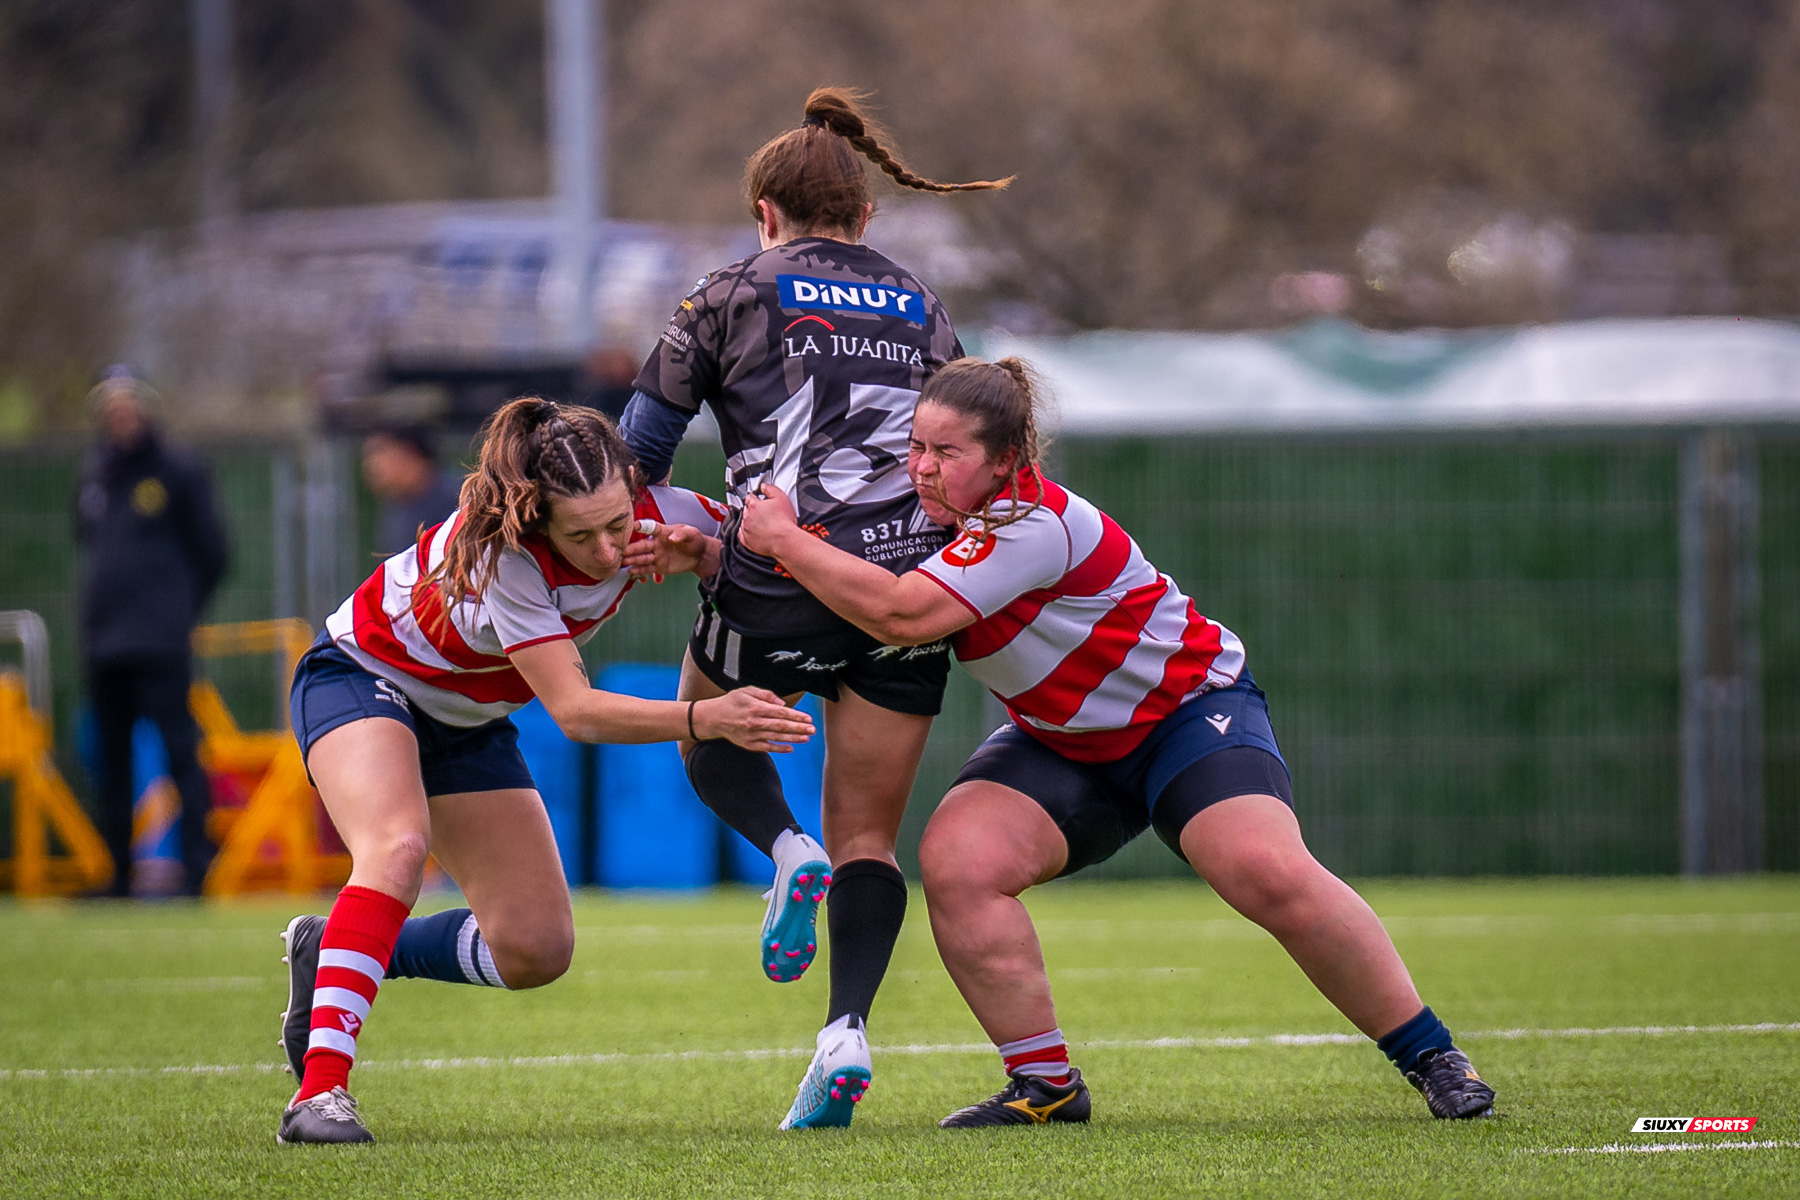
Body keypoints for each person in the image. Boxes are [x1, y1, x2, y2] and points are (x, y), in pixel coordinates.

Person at [737, 356, 1497, 1128]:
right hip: (1062, 742)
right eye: (917, 448)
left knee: (1262, 868)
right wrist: (702, 549)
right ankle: (1047, 1088)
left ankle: (1433, 1056)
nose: (923, 470)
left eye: (948, 453)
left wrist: (784, 539)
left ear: (1006, 462)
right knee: (960, 863)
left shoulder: (1033, 522)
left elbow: (901, 615)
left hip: (1187, 716)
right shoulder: (929, 512)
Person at [617, 87, 1009, 1130]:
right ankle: (845, 1033)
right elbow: (966, 449)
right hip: (903, 596)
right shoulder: (924, 305)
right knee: (872, 836)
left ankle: (787, 853)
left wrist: (646, 536)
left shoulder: (727, 291)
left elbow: (638, 452)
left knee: (703, 740)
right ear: (868, 219)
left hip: (780, 577)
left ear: (764, 213)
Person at [272, 397, 813, 1146]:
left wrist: (709, 553)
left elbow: (776, 557)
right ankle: (320, 1097)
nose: (604, 549)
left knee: (534, 951)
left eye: (618, 526)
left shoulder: (666, 509)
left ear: (635, 485)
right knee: (396, 849)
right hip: (362, 677)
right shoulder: (503, 553)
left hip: (467, 719)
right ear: (534, 516)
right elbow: (576, 711)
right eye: (580, 534)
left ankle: (337, 945)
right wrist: (706, 716)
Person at [75, 368, 229, 897]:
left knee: (180, 753)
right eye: (111, 406)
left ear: (145, 408)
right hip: (104, 644)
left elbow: (214, 552)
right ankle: (117, 876)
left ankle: (194, 873)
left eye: (128, 404)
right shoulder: (94, 474)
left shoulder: (179, 470)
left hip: (160, 642)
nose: (120, 414)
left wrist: (176, 611)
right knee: (110, 761)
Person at [360, 424, 465, 558]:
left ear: (407, 450)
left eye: (378, 452)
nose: (370, 464)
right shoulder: (395, 507)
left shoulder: (459, 498)